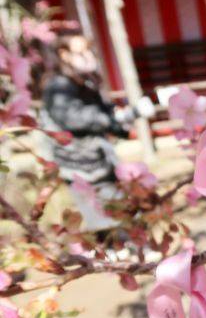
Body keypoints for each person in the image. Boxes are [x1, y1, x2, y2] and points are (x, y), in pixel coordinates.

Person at [41, 33, 137, 232]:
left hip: (98, 159)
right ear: (64, 54)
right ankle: (115, 256)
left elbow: (101, 110)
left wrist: (122, 117)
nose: (87, 56)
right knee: (101, 217)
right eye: (80, 51)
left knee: (118, 209)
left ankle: (127, 249)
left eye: (88, 50)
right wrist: (111, 119)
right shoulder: (58, 85)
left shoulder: (82, 81)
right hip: (79, 164)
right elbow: (74, 117)